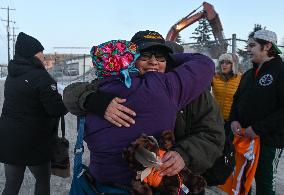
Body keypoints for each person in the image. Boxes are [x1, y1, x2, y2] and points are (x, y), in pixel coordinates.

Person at [63, 31, 218, 194]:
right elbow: (70, 93)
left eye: (161, 57)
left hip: (171, 177)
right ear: (129, 59)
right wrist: (92, 100)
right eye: (144, 56)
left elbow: (212, 134)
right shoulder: (105, 87)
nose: (153, 62)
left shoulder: (191, 92)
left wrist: (184, 155)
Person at [0, 32, 67, 195]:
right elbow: (56, 109)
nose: (43, 57)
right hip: (34, 142)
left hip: (9, 140)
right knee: (42, 181)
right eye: (41, 53)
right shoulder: (41, 77)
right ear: (32, 54)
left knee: (11, 185)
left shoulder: (12, 76)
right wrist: (62, 99)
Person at [230, 29, 284, 195]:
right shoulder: (248, 74)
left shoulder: (280, 71)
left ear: (267, 46)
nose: (248, 49)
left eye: (252, 45)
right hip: (243, 139)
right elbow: (237, 100)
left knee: (265, 183)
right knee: (241, 180)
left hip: (268, 141)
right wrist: (234, 120)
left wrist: (258, 129)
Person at [212, 53, 241, 133]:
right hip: (215, 118)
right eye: (222, 62)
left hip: (231, 120)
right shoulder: (214, 77)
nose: (224, 65)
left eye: (228, 63)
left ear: (233, 65)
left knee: (228, 143)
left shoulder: (240, 79)